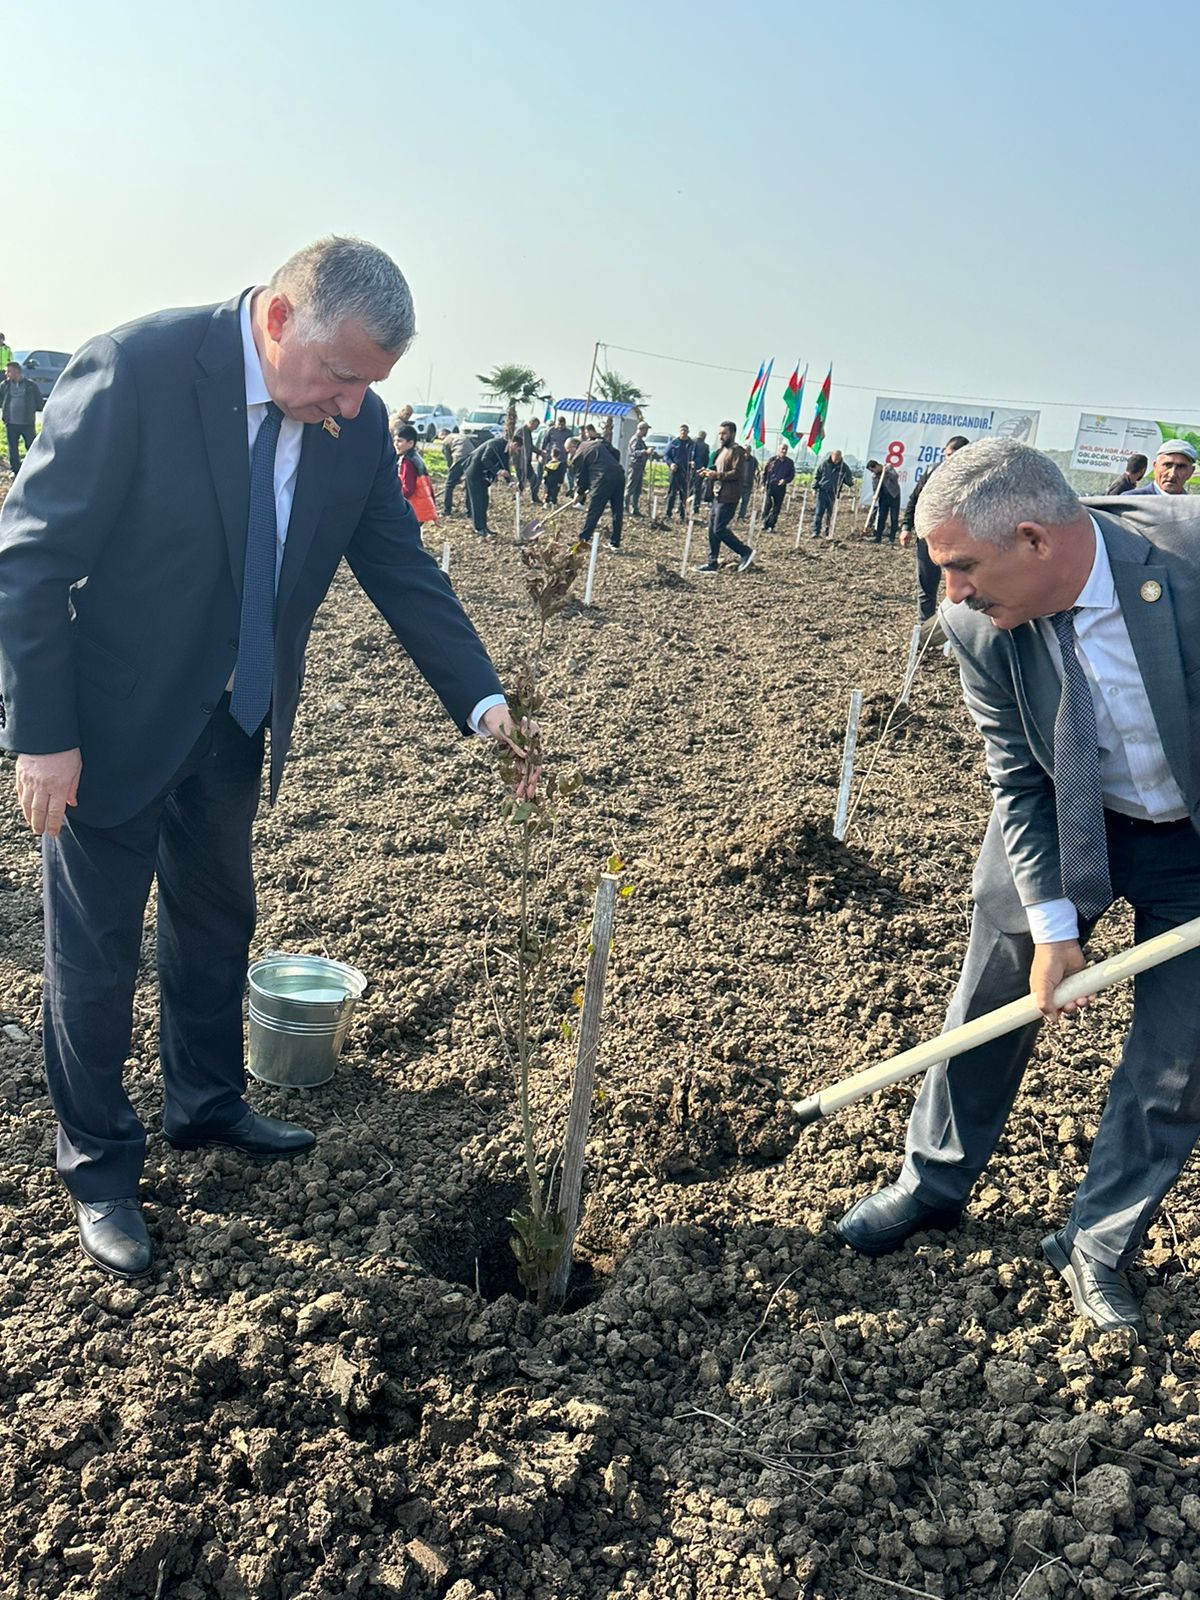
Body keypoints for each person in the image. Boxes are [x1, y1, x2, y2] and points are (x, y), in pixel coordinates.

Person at [0, 236, 530, 1279]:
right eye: (339, 376)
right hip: (105, 729)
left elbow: (397, 565)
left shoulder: (355, 420)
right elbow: (29, 562)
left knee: (215, 921)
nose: (347, 406)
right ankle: (101, 1167)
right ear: (279, 319)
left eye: (368, 386)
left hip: (235, 718)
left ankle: (204, 1100)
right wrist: (43, 735)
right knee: (97, 953)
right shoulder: (137, 371)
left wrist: (485, 698)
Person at [835, 438, 1200, 1336]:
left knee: (1180, 1053)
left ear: (1035, 539)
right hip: (1068, 811)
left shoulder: (1188, 559)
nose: (950, 591)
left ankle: (1098, 1241)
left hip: (1190, 838)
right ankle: (933, 1181)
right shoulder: (973, 625)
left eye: (961, 566)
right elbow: (1019, 778)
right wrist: (1049, 924)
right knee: (993, 988)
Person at [899, 434, 970, 620]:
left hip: (959, 540)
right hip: (929, 535)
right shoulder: (932, 472)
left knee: (958, 586)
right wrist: (906, 526)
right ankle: (925, 626)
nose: (949, 460)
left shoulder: (973, 478)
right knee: (926, 584)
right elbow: (915, 500)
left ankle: (954, 628)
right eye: (947, 455)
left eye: (954, 455)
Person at [696, 421, 755, 573]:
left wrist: (716, 475)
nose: (721, 436)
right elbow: (717, 468)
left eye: (724, 433)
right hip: (718, 495)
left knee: (719, 529)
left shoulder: (737, 451)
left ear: (732, 434)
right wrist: (707, 472)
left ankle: (744, 552)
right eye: (720, 433)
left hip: (729, 496)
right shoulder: (721, 451)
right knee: (712, 529)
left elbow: (736, 473)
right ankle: (712, 562)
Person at [571, 435, 625, 549]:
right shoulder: (597, 444)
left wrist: (579, 492)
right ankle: (615, 542)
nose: (569, 454)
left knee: (595, 510)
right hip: (619, 474)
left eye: (568, 450)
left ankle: (583, 539)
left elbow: (581, 476)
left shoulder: (580, 452)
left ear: (573, 446)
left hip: (602, 479)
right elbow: (616, 453)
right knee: (617, 510)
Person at [462, 430, 514, 537]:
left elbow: (505, 467)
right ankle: (479, 528)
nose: (517, 452)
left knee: (484, 501)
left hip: (483, 477)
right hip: (474, 473)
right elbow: (484, 458)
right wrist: (497, 471)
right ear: (514, 444)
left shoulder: (506, 452)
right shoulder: (495, 444)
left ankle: (484, 527)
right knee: (477, 501)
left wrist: (511, 483)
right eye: (517, 449)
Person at [391, 421, 438, 526]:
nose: (395, 444)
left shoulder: (408, 462)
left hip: (413, 508)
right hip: (420, 508)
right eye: (394, 441)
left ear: (410, 443)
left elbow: (408, 489)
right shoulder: (415, 458)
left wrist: (394, 498)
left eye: (399, 441)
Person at [0, 361, 39, 474]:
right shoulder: (4, 385)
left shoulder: (31, 385)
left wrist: (30, 411)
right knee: (13, 448)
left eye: (9, 371)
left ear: (17, 372)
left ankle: (33, 469)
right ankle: (15, 470)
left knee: (31, 446)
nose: (6, 373)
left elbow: (39, 402)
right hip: (11, 423)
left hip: (27, 422)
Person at [1129, 439, 1197, 496]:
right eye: (1167, 465)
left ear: (1191, 472)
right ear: (1155, 467)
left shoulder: (1194, 507)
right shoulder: (1131, 500)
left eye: (1181, 467)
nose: (1172, 474)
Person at [811, 449, 853, 537]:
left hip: (834, 493)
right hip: (822, 491)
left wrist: (851, 483)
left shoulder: (844, 467)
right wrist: (814, 488)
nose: (837, 460)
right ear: (832, 456)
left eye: (839, 458)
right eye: (835, 458)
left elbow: (848, 479)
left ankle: (828, 532)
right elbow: (817, 476)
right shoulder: (824, 464)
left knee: (830, 514)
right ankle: (815, 531)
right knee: (819, 512)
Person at [441, 427, 475, 517]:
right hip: (472, 457)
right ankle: (469, 512)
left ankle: (446, 510)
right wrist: (459, 476)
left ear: (444, 434)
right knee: (469, 485)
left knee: (449, 485)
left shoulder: (446, 440)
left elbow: (449, 460)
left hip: (459, 457)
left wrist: (452, 475)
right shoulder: (460, 436)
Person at [865, 459, 901, 543]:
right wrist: (875, 495)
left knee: (894, 518)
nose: (872, 472)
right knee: (881, 517)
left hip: (894, 496)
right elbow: (875, 487)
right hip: (883, 498)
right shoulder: (874, 476)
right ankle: (878, 537)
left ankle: (891, 539)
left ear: (877, 466)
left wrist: (886, 472)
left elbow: (895, 477)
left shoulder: (888, 468)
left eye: (872, 470)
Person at [761, 443, 795, 531]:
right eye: (782, 449)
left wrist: (785, 480)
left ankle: (771, 525)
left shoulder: (790, 463)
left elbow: (791, 475)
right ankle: (764, 522)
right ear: (778, 450)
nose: (784, 451)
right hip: (771, 486)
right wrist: (762, 484)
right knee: (768, 504)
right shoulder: (772, 460)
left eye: (786, 449)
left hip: (781, 487)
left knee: (777, 507)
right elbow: (764, 473)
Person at [665, 425, 695, 521]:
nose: (683, 432)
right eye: (682, 430)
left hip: (686, 472)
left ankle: (682, 516)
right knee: (672, 494)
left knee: (684, 495)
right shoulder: (673, 443)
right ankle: (668, 514)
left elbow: (697, 456)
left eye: (685, 430)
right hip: (675, 471)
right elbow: (666, 456)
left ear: (688, 432)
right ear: (679, 431)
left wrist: (694, 462)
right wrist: (671, 464)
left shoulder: (692, 444)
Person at [625, 422, 651, 517]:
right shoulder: (635, 439)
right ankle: (625, 507)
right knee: (630, 488)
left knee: (637, 490)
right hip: (634, 466)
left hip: (640, 467)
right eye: (646, 430)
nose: (647, 432)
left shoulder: (640, 440)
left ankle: (634, 508)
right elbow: (634, 453)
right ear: (642, 429)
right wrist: (645, 451)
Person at [690, 429, 710, 513]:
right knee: (697, 489)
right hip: (700, 469)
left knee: (689, 487)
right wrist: (704, 468)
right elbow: (706, 459)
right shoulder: (705, 446)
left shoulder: (691, 442)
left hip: (690, 468)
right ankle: (695, 507)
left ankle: (685, 505)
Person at [738, 448, 759, 521]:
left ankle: (741, 516)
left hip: (748, 484)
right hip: (738, 483)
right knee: (735, 501)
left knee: (745, 501)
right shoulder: (739, 458)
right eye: (745, 452)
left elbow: (757, 471)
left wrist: (757, 476)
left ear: (750, 451)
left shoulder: (753, 460)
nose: (746, 454)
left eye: (748, 452)